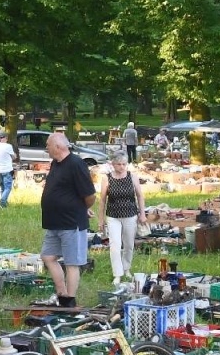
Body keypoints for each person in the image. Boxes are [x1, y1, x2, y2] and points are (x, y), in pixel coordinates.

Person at [40, 132, 96, 307]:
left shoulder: (76, 164)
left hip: (71, 222)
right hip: (54, 222)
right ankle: (61, 293)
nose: (46, 148)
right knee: (48, 257)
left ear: (58, 146)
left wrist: (83, 208)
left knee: (72, 262)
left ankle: (69, 301)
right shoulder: (55, 164)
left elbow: (89, 195)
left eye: (48, 145)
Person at [97, 150, 146, 287]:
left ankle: (126, 268)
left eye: (124, 164)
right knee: (115, 246)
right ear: (113, 164)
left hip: (130, 214)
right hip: (113, 215)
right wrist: (100, 220)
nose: (122, 167)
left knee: (129, 244)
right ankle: (117, 274)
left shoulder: (132, 176)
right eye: (118, 164)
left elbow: (140, 196)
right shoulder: (107, 178)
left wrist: (142, 214)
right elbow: (102, 201)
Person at [0, 129, 17, 208]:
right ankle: (2, 202)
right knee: (8, 187)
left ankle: (4, 203)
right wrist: (15, 155)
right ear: (6, 138)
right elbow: (13, 157)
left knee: (2, 187)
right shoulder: (8, 146)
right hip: (7, 169)